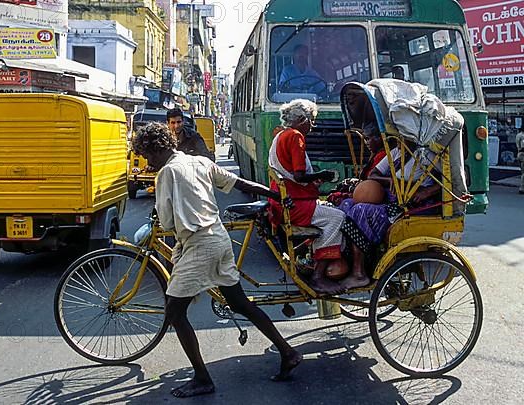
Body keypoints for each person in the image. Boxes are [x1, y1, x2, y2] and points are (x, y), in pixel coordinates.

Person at [131, 122, 302, 398]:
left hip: (200, 245)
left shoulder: (167, 173)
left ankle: (202, 378)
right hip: (219, 240)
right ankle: (288, 351)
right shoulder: (199, 161)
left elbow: (166, 221)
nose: (148, 161)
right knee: (239, 303)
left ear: (157, 149)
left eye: (148, 155)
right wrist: (274, 195)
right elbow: (238, 183)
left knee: (175, 312)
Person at [268, 99, 348, 294]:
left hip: (285, 201)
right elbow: (299, 175)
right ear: (302, 120)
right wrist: (322, 175)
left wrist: (313, 182)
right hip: (294, 205)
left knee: (331, 210)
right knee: (338, 217)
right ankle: (319, 276)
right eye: (311, 121)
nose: (313, 125)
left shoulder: (280, 135)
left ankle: (311, 260)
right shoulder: (295, 136)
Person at [339, 144, 441, 289]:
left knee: (360, 211)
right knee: (347, 204)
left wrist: (427, 192)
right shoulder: (396, 152)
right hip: (391, 199)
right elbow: (373, 174)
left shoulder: (425, 155)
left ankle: (359, 273)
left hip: (413, 205)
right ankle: (351, 262)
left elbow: (451, 180)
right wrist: (390, 181)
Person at [516, 129, 524, 194]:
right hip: (523, 154)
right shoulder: (523, 136)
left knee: (522, 172)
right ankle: (522, 188)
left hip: (519, 154)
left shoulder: (518, 135)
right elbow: (523, 146)